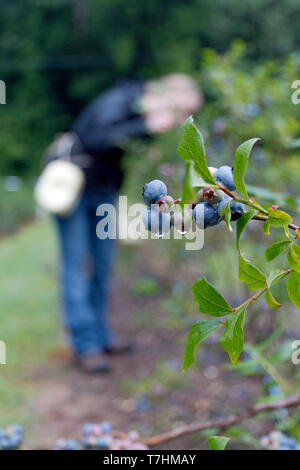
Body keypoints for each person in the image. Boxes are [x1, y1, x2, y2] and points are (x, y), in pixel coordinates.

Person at [45, 73, 202, 373]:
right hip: (75, 190)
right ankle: (85, 344)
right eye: (179, 111)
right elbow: (94, 137)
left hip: (103, 191)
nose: (178, 119)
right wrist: (144, 126)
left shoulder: (137, 108)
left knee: (103, 263)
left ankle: (101, 336)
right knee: (76, 264)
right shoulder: (122, 99)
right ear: (165, 94)